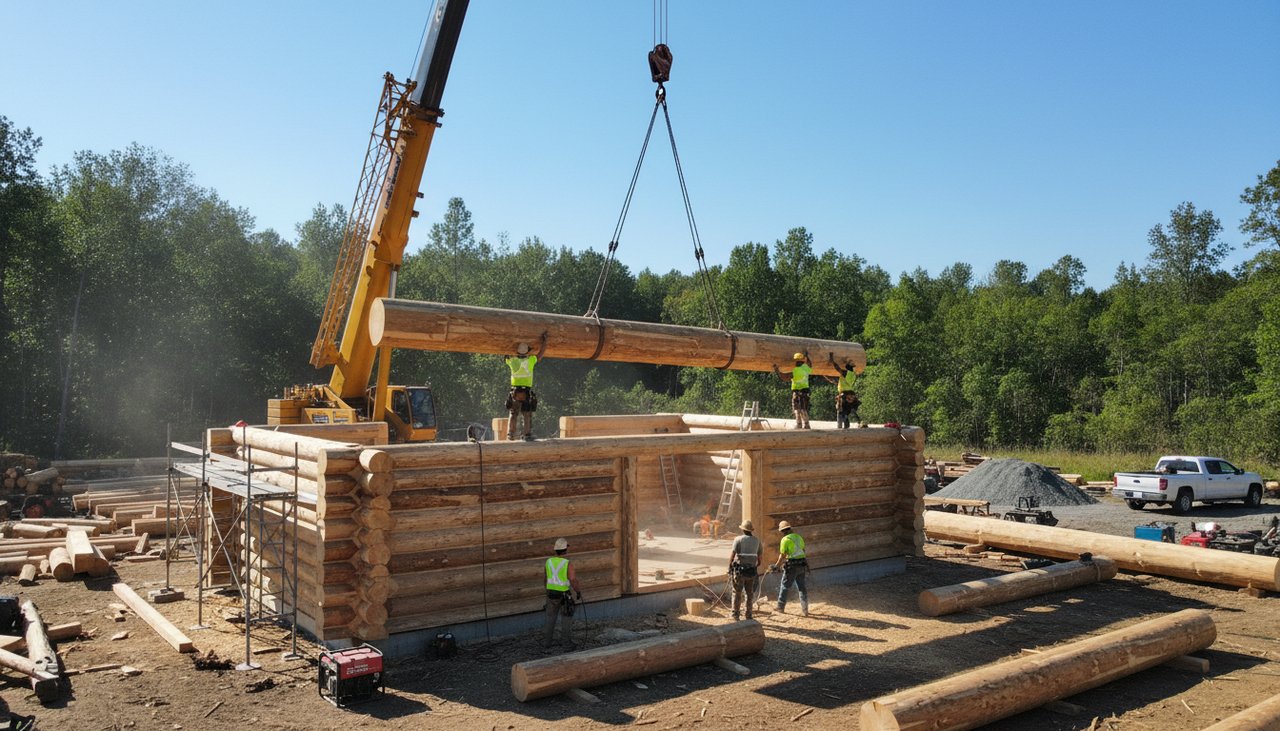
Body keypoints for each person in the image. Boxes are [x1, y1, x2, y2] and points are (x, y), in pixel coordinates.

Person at [505, 335, 547, 441]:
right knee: (527, 414)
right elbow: (541, 354)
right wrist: (545, 342)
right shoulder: (531, 360)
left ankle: (511, 434)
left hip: (515, 391)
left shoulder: (513, 361)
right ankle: (527, 435)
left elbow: (505, 355)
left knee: (513, 413)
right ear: (527, 352)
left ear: (518, 352)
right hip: (526, 392)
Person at [543, 537, 582, 649]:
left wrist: (547, 591)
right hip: (564, 594)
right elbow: (573, 580)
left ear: (556, 549)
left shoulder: (548, 561)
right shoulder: (567, 564)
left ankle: (547, 643)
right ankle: (566, 643)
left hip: (551, 593)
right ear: (565, 549)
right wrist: (578, 591)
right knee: (566, 617)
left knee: (550, 617)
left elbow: (545, 578)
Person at [769, 520, 809, 616]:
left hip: (792, 565)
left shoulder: (785, 540)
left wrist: (776, 566)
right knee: (802, 588)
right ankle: (805, 610)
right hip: (802, 564)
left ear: (782, 531)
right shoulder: (798, 537)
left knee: (785, 586)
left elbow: (782, 555)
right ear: (790, 528)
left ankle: (780, 607)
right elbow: (803, 550)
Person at [727, 520, 762, 621]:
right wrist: (756, 565)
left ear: (742, 529)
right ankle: (749, 615)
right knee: (749, 593)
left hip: (740, 571)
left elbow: (733, 554)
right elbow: (760, 558)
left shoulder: (738, 539)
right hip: (751, 571)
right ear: (751, 530)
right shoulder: (757, 541)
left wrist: (729, 566)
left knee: (737, 592)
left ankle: (735, 615)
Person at [773, 353, 813, 429]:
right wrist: (807, 357)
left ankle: (799, 424)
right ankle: (807, 424)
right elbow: (810, 364)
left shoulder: (795, 371)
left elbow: (784, 377)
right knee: (803, 408)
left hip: (797, 392)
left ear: (796, 361)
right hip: (805, 392)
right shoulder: (806, 369)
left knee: (797, 409)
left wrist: (777, 370)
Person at [824, 358, 861, 429]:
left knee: (841, 410)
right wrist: (825, 375)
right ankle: (854, 422)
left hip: (844, 395)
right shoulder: (853, 375)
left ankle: (841, 425)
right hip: (851, 394)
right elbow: (836, 381)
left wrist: (833, 361)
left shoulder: (846, 373)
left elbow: (838, 368)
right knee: (848, 410)